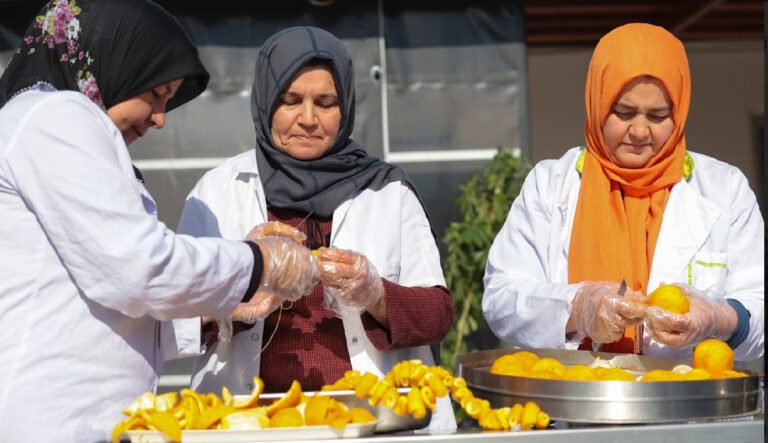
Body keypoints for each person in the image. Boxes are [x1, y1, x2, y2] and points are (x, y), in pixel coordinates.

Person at [0, 1, 317, 441]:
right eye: (155, 93)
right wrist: (260, 263)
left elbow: (103, 306)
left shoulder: (52, 125)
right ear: (114, 60)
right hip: (50, 421)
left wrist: (210, 313)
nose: (161, 119)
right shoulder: (57, 116)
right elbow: (138, 269)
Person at [173, 26, 457, 430]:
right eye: (290, 101)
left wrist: (376, 294)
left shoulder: (387, 190)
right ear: (265, 101)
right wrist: (232, 296)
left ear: (346, 108)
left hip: (368, 424)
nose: (308, 119)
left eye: (325, 102)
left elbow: (438, 315)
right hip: (246, 425)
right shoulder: (216, 193)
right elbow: (169, 316)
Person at [482, 23, 763, 362]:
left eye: (658, 116)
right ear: (597, 105)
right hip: (575, 405)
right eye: (624, 113)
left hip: (688, 406)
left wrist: (719, 319)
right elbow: (501, 298)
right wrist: (578, 306)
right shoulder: (550, 185)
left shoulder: (725, 190)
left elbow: (758, 304)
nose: (640, 131)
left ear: (679, 114)